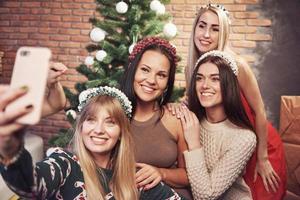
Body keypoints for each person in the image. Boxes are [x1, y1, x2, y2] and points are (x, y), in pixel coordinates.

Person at [0, 85, 186, 200]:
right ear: (81, 126)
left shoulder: (134, 176)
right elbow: (31, 185)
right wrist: (10, 147)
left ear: (121, 132)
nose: (99, 129)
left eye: (110, 122)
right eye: (91, 120)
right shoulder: (65, 163)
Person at [181, 4, 286, 199]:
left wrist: (262, 157)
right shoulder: (192, 67)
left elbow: (260, 111)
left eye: (215, 29)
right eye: (202, 26)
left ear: (223, 33)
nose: (206, 34)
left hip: (257, 138)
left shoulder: (237, 65)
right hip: (225, 137)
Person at [120, 37, 192, 199]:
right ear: (133, 70)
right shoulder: (115, 115)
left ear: (167, 82)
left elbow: (189, 176)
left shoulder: (175, 119)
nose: (151, 80)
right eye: (145, 70)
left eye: (161, 75)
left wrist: (161, 173)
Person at [181, 50, 257, 199]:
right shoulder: (192, 121)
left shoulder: (244, 138)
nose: (204, 85)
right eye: (199, 78)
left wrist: (194, 143)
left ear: (228, 85)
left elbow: (206, 196)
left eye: (215, 79)